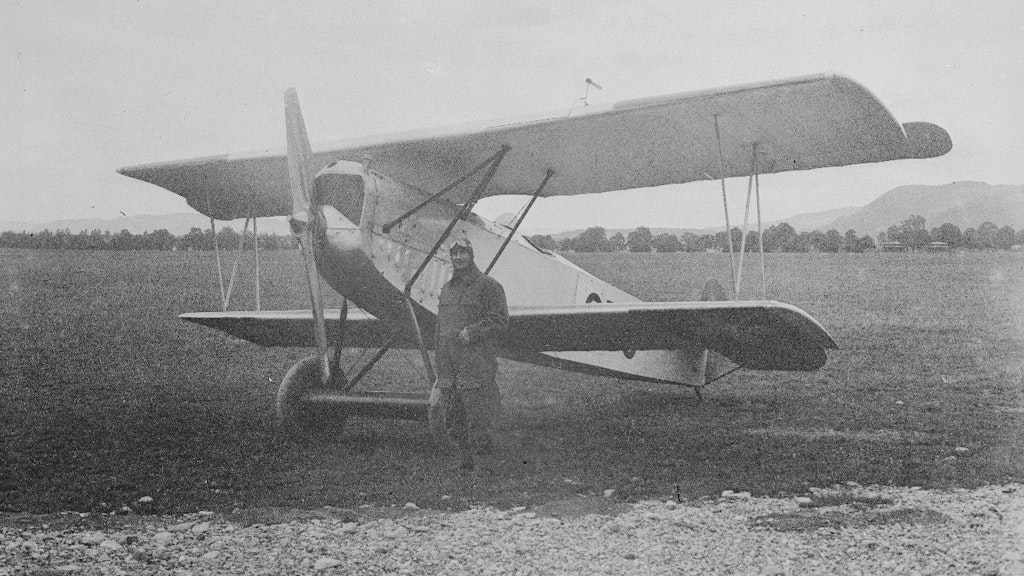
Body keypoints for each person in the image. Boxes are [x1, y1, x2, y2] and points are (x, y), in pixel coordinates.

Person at [432, 237, 509, 471]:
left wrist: (474, 332)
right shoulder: (447, 288)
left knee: (479, 414)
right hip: (449, 363)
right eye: (455, 254)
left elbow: (499, 321)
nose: (459, 258)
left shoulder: (489, 286)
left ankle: (486, 465)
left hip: (475, 361)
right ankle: (464, 462)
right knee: (454, 415)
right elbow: (440, 326)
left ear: (471, 255)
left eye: (463, 253)